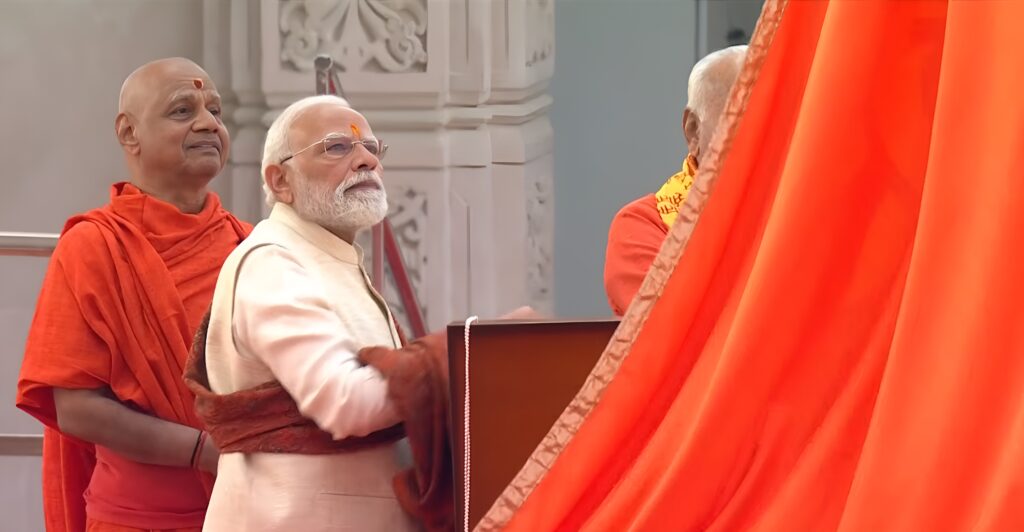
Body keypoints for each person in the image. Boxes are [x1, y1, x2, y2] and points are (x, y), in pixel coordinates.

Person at [15, 57, 251, 532]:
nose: (208, 123)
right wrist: (203, 452)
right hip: (138, 518)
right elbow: (76, 407)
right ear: (128, 134)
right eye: (183, 111)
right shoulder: (93, 246)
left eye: (216, 111)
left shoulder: (250, 246)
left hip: (246, 510)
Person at [603, 45, 747, 315]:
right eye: (746, 120)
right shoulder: (644, 226)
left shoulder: (812, 213)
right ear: (693, 131)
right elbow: (679, 328)